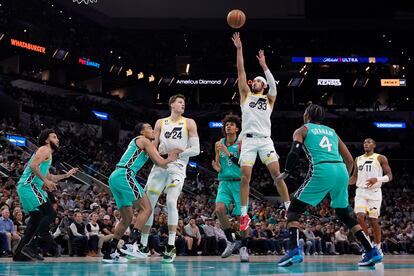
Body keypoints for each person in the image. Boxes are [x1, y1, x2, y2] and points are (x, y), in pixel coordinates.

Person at [276, 104, 382, 267]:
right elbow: (349, 159)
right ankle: (371, 251)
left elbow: (293, 153)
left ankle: (294, 250)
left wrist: (286, 172)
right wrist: (343, 179)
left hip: (322, 169)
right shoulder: (332, 132)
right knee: (345, 215)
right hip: (340, 170)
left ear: (306, 116)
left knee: (293, 210)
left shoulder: (302, 129)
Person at [232, 32, 290, 261]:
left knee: (277, 174)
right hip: (248, 140)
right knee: (245, 177)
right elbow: (240, 72)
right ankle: (244, 215)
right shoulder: (245, 96)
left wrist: (265, 67)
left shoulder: (269, 99)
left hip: (265, 140)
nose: (254, 82)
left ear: (263, 86)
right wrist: (239, 49)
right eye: (254, 80)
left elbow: (275, 84)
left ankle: (287, 206)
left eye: (258, 81)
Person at [103, 122, 180, 263]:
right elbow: (161, 162)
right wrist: (172, 157)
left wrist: (165, 156)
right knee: (147, 208)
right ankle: (132, 244)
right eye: (149, 128)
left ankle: (110, 252)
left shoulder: (142, 143)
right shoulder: (144, 140)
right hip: (125, 174)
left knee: (127, 218)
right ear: (142, 132)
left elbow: (157, 159)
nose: (152, 131)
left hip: (115, 176)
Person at [140, 94, 200, 263]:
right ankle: (143, 245)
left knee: (171, 201)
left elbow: (196, 149)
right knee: (149, 204)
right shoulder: (160, 122)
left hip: (178, 166)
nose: (183, 105)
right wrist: (159, 156)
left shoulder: (189, 122)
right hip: (160, 165)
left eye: (184, 102)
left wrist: (179, 153)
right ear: (172, 104)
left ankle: (171, 245)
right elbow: (153, 145)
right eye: (180, 102)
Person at [14, 129, 78, 261]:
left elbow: (50, 176)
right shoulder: (45, 149)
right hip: (29, 186)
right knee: (50, 213)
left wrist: (66, 175)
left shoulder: (48, 155)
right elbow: (33, 166)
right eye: (54, 137)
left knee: (36, 219)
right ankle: (31, 246)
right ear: (47, 140)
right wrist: (45, 181)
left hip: (27, 187)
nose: (57, 139)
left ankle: (20, 253)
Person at [349, 138, 393, 254]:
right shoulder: (358, 159)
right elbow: (354, 177)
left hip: (374, 192)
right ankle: (368, 245)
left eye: (369, 142)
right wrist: (344, 181)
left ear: (374, 145)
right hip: (361, 192)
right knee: (359, 217)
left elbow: (389, 176)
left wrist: (377, 179)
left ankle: (378, 246)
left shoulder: (380, 158)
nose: (366, 144)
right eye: (364, 142)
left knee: (373, 221)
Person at [211, 114, 245, 260]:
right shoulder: (219, 143)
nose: (228, 126)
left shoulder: (242, 144)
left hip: (239, 182)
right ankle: (230, 241)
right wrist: (217, 167)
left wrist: (227, 152)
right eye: (226, 125)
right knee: (219, 210)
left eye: (231, 124)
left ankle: (243, 247)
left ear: (237, 128)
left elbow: (242, 164)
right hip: (224, 182)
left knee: (242, 217)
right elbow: (219, 163)